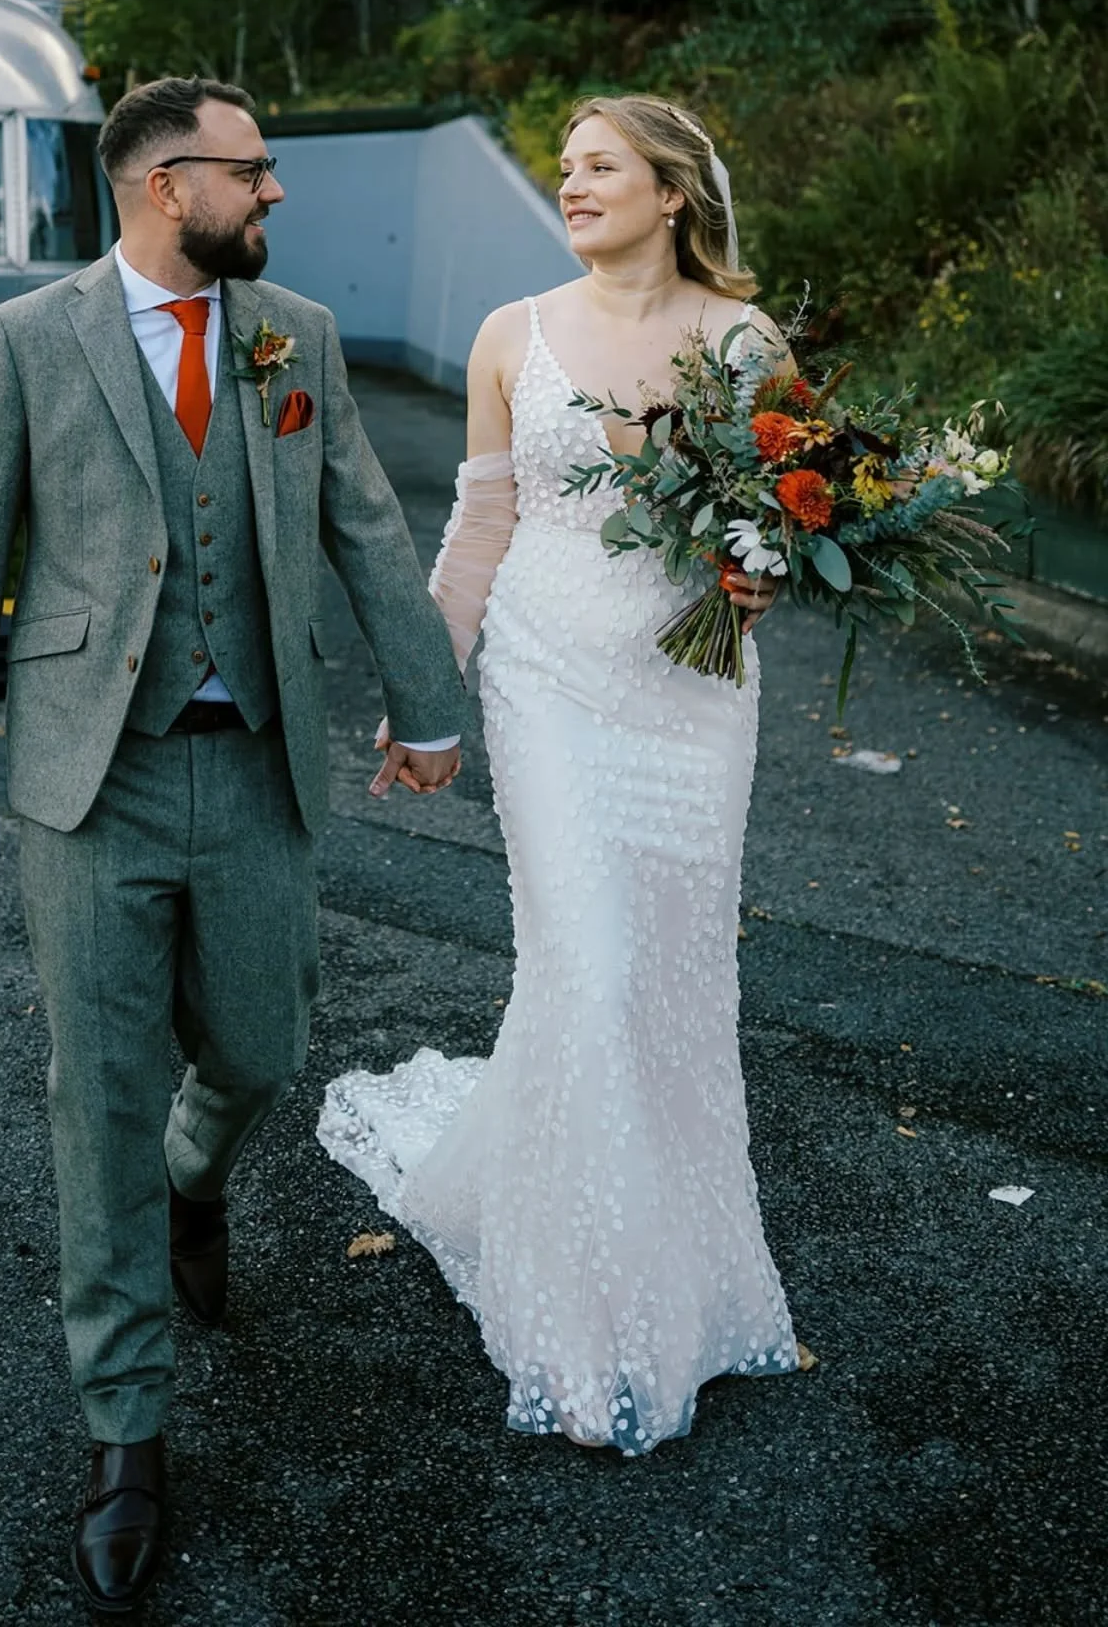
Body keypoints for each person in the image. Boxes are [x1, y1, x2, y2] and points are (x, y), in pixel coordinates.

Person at [0, 76, 467, 1613]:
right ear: (167, 185)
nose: (274, 191)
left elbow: (363, 520)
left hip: (259, 767)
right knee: (99, 1093)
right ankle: (127, 1435)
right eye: (252, 169)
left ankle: (195, 1181)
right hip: (93, 776)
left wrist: (430, 706)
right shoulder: (30, 338)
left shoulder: (298, 335)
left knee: (263, 1045)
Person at [319, 93, 801, 1453]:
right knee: (584, 965)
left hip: (691, 688)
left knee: (667, 974)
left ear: (673, 192)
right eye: (567, 168)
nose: (573, 185)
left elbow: (778, 520)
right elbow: (480, 524)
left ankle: (677, 1266)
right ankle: (581, 1326)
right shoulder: (509, 335)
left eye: (601, 166)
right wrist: (426, 695)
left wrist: (762, 576)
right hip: (546, 677)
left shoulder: (748, 344)